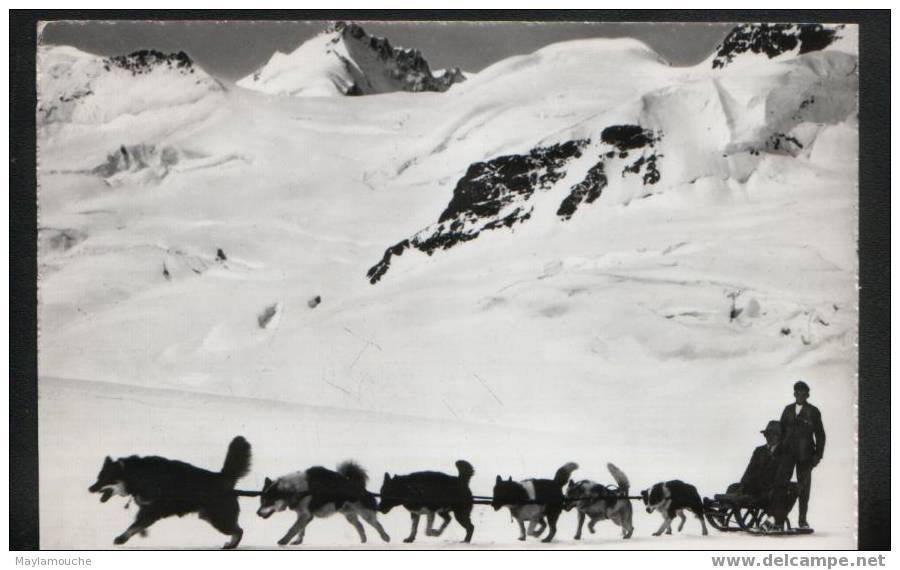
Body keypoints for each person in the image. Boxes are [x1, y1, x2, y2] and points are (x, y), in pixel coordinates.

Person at [779, 380, 826, 528]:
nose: (800, 395)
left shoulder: (813, 411)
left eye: (803, 392)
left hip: (806, 455)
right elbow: (780, 431)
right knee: (781, 484)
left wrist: (818, 455)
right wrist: (778, 450)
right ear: (794, 393)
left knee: (804, 488)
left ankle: (802, 520)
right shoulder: (787, 410)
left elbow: (820, 435)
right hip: (787, 454)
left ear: (807, 395)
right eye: (797, 392)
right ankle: (778, 518)